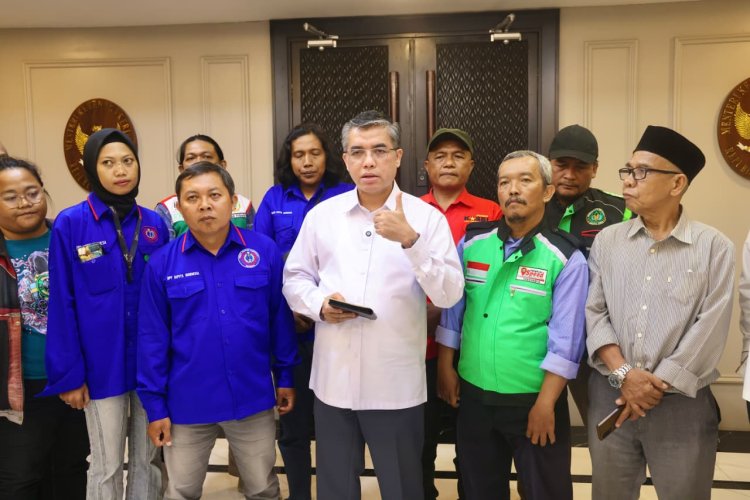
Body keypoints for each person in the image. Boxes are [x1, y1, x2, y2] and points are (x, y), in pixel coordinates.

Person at [283, 110, 463, 500]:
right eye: (358, 152)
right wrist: (320, 305)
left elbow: (449, 294)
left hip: (394, 385)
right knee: (334, 488)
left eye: (379, 151)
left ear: (397, 157)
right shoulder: (322, 217)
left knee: (402, 487)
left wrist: (411, 242)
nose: (368, 161)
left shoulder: (425, 220)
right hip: (334, 382)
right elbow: (294, 278)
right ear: (345, 160)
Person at [586, 125, 734, 500]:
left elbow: (710, 327)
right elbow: (595, 313)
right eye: (627, 170)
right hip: (612, 395)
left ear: (676, 183)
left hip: (681, 403)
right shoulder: (608, 241)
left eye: (641, 172)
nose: (627, 180)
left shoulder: (713, 247)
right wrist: (625, 374)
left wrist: (652, 385)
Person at [137, 162, 299, 499]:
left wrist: (285, 376)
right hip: (187, 403)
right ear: (179, 207)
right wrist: (155, 407)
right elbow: (152, 339)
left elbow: (279, 320)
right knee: (181, 491)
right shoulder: (163, 264)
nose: (204, 205)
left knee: (263, 487)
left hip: (251, 397)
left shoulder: (263, 251)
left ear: (233, 201)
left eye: (214, 195)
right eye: (192, 198)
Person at [437, 150, 588, 500]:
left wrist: (546, 404)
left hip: (533, 400)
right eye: (504, 182)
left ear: (547, 191)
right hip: (475, 396)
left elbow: (567, 340)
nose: (513, 189)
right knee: (477, 489)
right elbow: (453, 311)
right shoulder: (472, 244)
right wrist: (445, 366)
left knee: (544, 491)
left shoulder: (566, 257)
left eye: (525, 180)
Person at [41, 129, 168, 499]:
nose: (120, 170)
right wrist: (69, 375)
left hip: (149, 366)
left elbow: (166, 300)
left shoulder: (154, 224)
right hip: (100, 367)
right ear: (92, 170)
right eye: (108, 163)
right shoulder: (71, 223)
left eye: (128, 161)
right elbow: (61, 302)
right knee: (106, 464)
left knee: (148, 461)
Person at [254, 123, 352, 500]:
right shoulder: (274, 198)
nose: (307, 162)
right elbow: (262, 262)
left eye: (314, 153)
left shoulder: (345, 195)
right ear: (289, 159)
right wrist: (291, 309)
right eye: (299, 155)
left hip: (338, 328)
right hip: (290, 330)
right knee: (293, 425)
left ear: (327, 157)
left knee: (334, 425)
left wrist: (320, 306)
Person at [0, 156, 89, 499]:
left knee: (71, 469)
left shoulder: (70, 240)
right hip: (19, 389)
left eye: (32, 192)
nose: (24, 202)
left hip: (75, 381)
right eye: (10, 197)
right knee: (19, 478)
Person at [421, 128, 501, 500]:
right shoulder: (410, 211)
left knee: (472, 445)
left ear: (471, 165)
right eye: (440, 156)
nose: (449, 162)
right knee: (420, 439)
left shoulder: (493, 212)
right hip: (419, 347)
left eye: (458, 155)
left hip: (471, 348)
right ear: (426, 166)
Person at [544, 124, 633, 426]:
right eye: (561, 165)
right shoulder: (532, 207)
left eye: (580, 167)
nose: (569, 174)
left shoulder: (620, 211)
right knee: (539, 419)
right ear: (549, 164)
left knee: (602, 420)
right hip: (541, 336)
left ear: (594, 169)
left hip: (597, 339)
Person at [156, 134, 255, 239]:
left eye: (207, 156)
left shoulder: (244, 205)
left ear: (222, 165)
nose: (199, 162)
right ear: (181, 169)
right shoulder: (167, 208)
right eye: (191, 158)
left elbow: (252, 242)